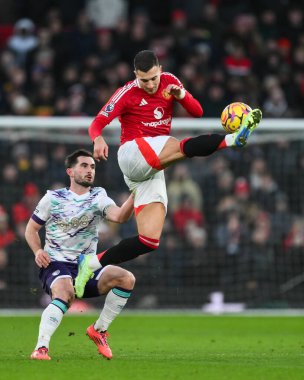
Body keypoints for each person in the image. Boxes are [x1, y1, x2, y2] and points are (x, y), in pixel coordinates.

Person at [74, 49, 262, 298]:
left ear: (160, 69)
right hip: (132, 153)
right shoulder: (127, 92)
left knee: (148, 241)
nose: (150, 84)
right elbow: (96, 123)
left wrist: (181, 94)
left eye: (153, 78)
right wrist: (97, 139)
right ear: (135, 76)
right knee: (180, 146)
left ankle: (90, 263)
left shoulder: (170, 81)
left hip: (152, 166)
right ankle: (231, 140)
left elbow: (196, 111)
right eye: (144, 80)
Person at [25, 149, 135, 361]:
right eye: (83, 166)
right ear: (70, 171)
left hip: (87, 266)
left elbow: (120, 216)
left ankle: (99, 330)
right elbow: (30, 230)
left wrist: (134, 195)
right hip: (56, 263)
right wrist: (38, 250)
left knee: (126, 279)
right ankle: (41, 348)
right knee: (65, 293)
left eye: (92, 167)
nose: (89, 171)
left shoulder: (98, 196)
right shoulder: (53, 198)